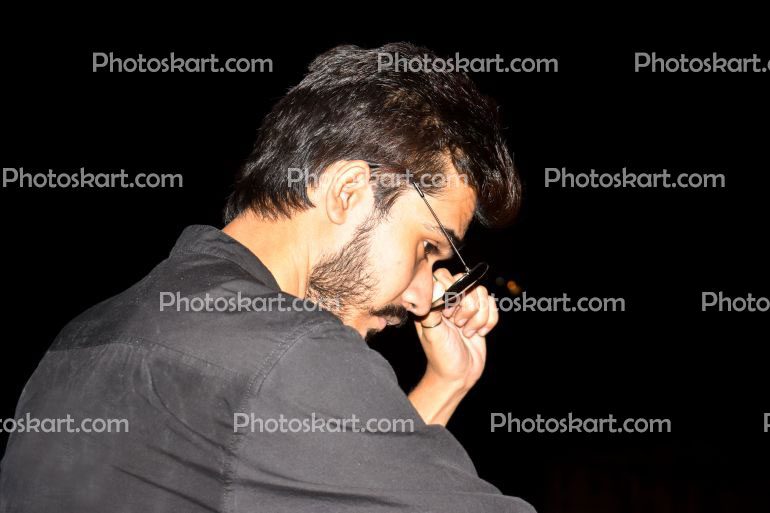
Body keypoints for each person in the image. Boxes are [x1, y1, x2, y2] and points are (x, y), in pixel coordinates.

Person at [1, 42, 534, 512]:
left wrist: (446, 383)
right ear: (348, 191)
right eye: (426, 248)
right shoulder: (291, 354)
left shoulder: (81, 338)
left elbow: (330, 485)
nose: (423, 298)